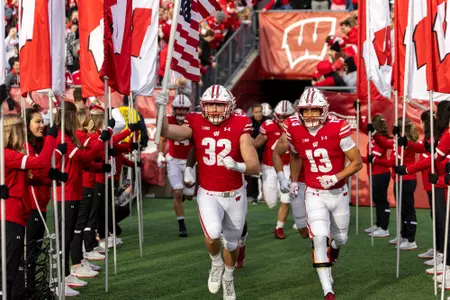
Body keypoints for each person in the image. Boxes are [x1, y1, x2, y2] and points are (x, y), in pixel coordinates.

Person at [157, 84, 260, 300]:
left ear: (229, 106)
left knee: (232, 244)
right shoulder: (195, 120)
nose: (213, 110)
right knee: (212, 234)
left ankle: (228, 278)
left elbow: (254, 165)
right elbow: (168, 131)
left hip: (235, 193)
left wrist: (238, 166)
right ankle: (215, 263)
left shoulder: (240, 123)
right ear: (203, 106)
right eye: (210, 105)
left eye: (218, 105)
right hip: (208, 192)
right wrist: (162, 111)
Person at [281, 88, 362, 300]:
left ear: (324, 110)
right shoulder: (292, 127)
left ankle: (334, 248)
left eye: (314, 111)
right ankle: (328, 290)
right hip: (314, 192)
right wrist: (294, 181)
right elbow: (296, 155)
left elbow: (357, 162)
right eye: (305, 111)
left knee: (341, 238)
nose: (309, 116)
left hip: (338, 192)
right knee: (318, 238)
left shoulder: (338, 126)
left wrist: (336, 177)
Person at [1, 114, 57, 299]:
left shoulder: (10, 155)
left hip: (15, 215)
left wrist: (48, 179)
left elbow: (27, 178)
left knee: (13, 265)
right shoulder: (8, 155)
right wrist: (51, 138)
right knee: (9, 268)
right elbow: (40, 163)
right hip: (11, 216)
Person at [369, 118, 419, 250]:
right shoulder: (398, 141)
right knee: (402, 210)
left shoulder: (407, 142)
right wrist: (374, 133)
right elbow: (385, 144)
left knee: (408, 210)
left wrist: (373, 160)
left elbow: (393, 161)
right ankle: (403, 235)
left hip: (407, 179)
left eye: (396, 126)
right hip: (398, 179)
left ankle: (411, 239)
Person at [253, 100, 295, 239]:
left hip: (287, 167)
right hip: (269, 168)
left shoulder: (296, 127)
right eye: (281, 116)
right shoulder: (268, 126)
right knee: (270, 202)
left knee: (286, 199)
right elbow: (256, 143)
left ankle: (279, 227)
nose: (283, 119)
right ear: (276, 115)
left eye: (286, 116)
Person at [157, 95, 195, 237]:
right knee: (177, 192)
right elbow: (162, 137)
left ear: (188, 109)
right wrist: (160, 154)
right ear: (173, 109)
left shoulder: (193, 120)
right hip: (173, 160)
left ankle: (183, 197)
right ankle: (182, 225)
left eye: (183, 109)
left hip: (190, 162)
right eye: (178, 109)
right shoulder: (169, 120)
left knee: (189, 195)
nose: (180, 112)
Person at [24, 108, 53, 289]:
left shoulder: (39, 145)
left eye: (42, 121)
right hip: (30, 207)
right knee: (28, 253)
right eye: (37, 121)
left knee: (34, 253)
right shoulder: (25, 147)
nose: (42, 125)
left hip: (41, 205)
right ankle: (26, 288)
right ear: (26, 124)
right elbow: (39, 167)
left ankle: (31, 288)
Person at [357, 110, 392, 238]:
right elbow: (362, 126)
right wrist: (358, 112)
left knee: (381, 200)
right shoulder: (373, 137)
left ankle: (384, 227)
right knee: (377, 199)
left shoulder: (381, 139)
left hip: (381, 174)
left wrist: (358, 157)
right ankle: (378, 224)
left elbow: (373, 157)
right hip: (373, 173)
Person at [248, 103, 266, 204]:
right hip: (253, 152)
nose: (258, 114)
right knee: (253, 175)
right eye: (256, 112)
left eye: (260, 112)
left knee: (266, 176)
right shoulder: (249, 122)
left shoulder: (267, 121)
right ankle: (254, 197)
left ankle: (265, 195)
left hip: (265, 152)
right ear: (253, 112)